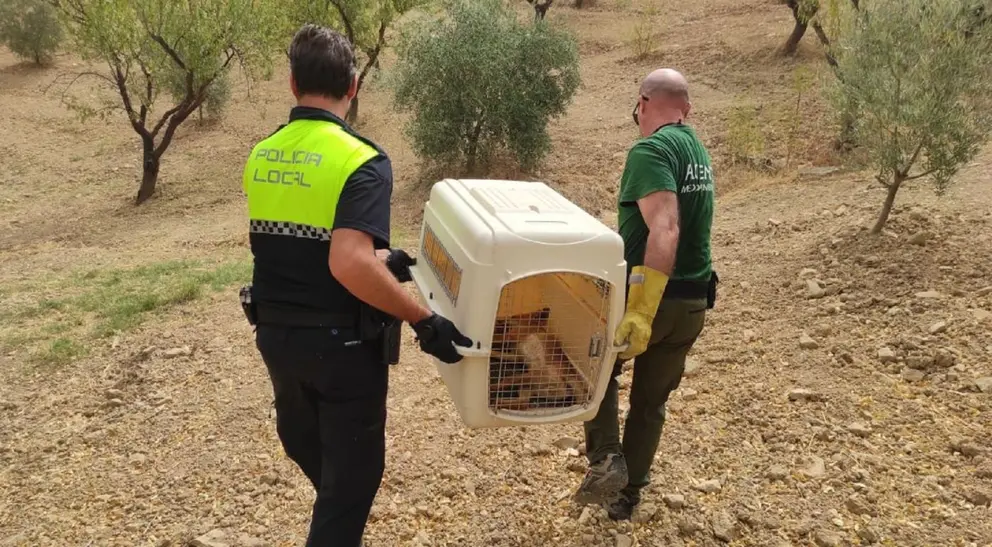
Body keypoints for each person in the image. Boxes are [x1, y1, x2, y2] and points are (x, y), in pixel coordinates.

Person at [239, 24, 473, 547]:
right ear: (354, 85)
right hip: (342, 349)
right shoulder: (361, 160)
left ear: (292, 82)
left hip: (276, 339)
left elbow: (302, 247)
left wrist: (383, 258)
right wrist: (423, 319)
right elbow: (346, 263)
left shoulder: (264, 153)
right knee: (352, 486)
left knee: (320, 464)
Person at [573, 68, 717, 521]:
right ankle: (627, 497)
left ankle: (606, 460)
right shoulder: (697, 151)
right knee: (651, 401)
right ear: (687, 108)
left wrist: (640, 310)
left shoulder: (649, 149)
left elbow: (667, 226)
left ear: (644, 102)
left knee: (589, 368)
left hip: (654, 299)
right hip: (693, 302)